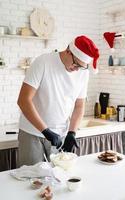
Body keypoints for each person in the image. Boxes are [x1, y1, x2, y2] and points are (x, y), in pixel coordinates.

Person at [17, 35, 99, 166]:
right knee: (30, 178)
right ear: (68, 51)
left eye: (81, 67)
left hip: (60, 134)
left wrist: (72, 132)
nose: (77, 69)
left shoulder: (83, 73)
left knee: (59, 176)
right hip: (32, 132)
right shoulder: (43, 62)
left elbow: (79, 106)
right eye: (76, 64)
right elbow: (23, 100)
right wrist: (45, 130)